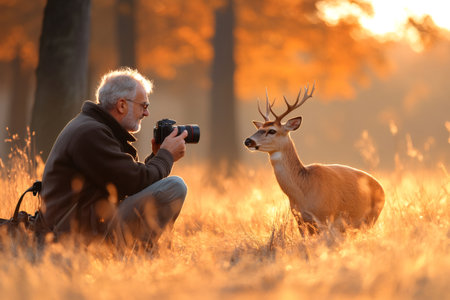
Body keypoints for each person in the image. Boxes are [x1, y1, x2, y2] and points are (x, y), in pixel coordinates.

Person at [38, 68, 188, 249]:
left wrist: (157, 156)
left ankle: (136, 254)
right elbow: (132, 182)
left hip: (87, 224)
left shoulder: (93, 127)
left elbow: (125, 182)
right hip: (76, 235)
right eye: (144, 106)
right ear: (122, 105)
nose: (146, 113)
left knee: (170, 186)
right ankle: (138, 255)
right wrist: (165, 157)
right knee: (174, 187)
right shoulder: (91, 133)